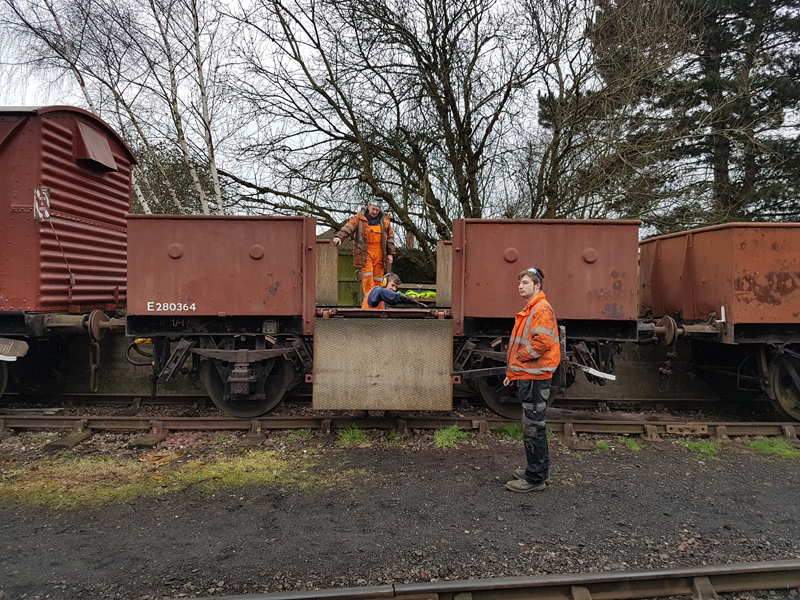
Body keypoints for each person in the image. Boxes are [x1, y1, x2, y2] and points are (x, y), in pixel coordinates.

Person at [503, 267, 561, 493]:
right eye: (519, 283)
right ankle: (539, 471)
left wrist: (520, 356)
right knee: (535, 426)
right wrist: (512, 374)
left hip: (535, 379)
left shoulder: (540, 309)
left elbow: (542, 343)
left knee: (533, 428)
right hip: (530, 376)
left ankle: (535, 478)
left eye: (525, 283)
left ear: (537, 286)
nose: (520, 286)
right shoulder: (533, 308)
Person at [332, 200, 396, 297]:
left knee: (379, 279)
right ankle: (368, 298)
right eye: (373, 209)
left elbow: (390, 238)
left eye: (377, 210)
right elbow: (348, 227)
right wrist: (339, 237)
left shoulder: (385, 220)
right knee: (368, 276)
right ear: (368, 207)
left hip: (380, 253)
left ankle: (377, 300)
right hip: (365, 252)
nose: (375, 212)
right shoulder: (359, 218)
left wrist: (390, 253)